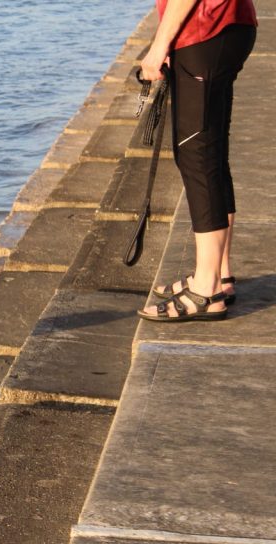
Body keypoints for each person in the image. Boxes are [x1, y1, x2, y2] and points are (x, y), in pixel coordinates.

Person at [137, 0, 257, 322]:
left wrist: (159, 44)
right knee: (212, 155)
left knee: (197, 157)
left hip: (204, 31)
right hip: (230, 26)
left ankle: (207, 289)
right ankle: (219, 273)